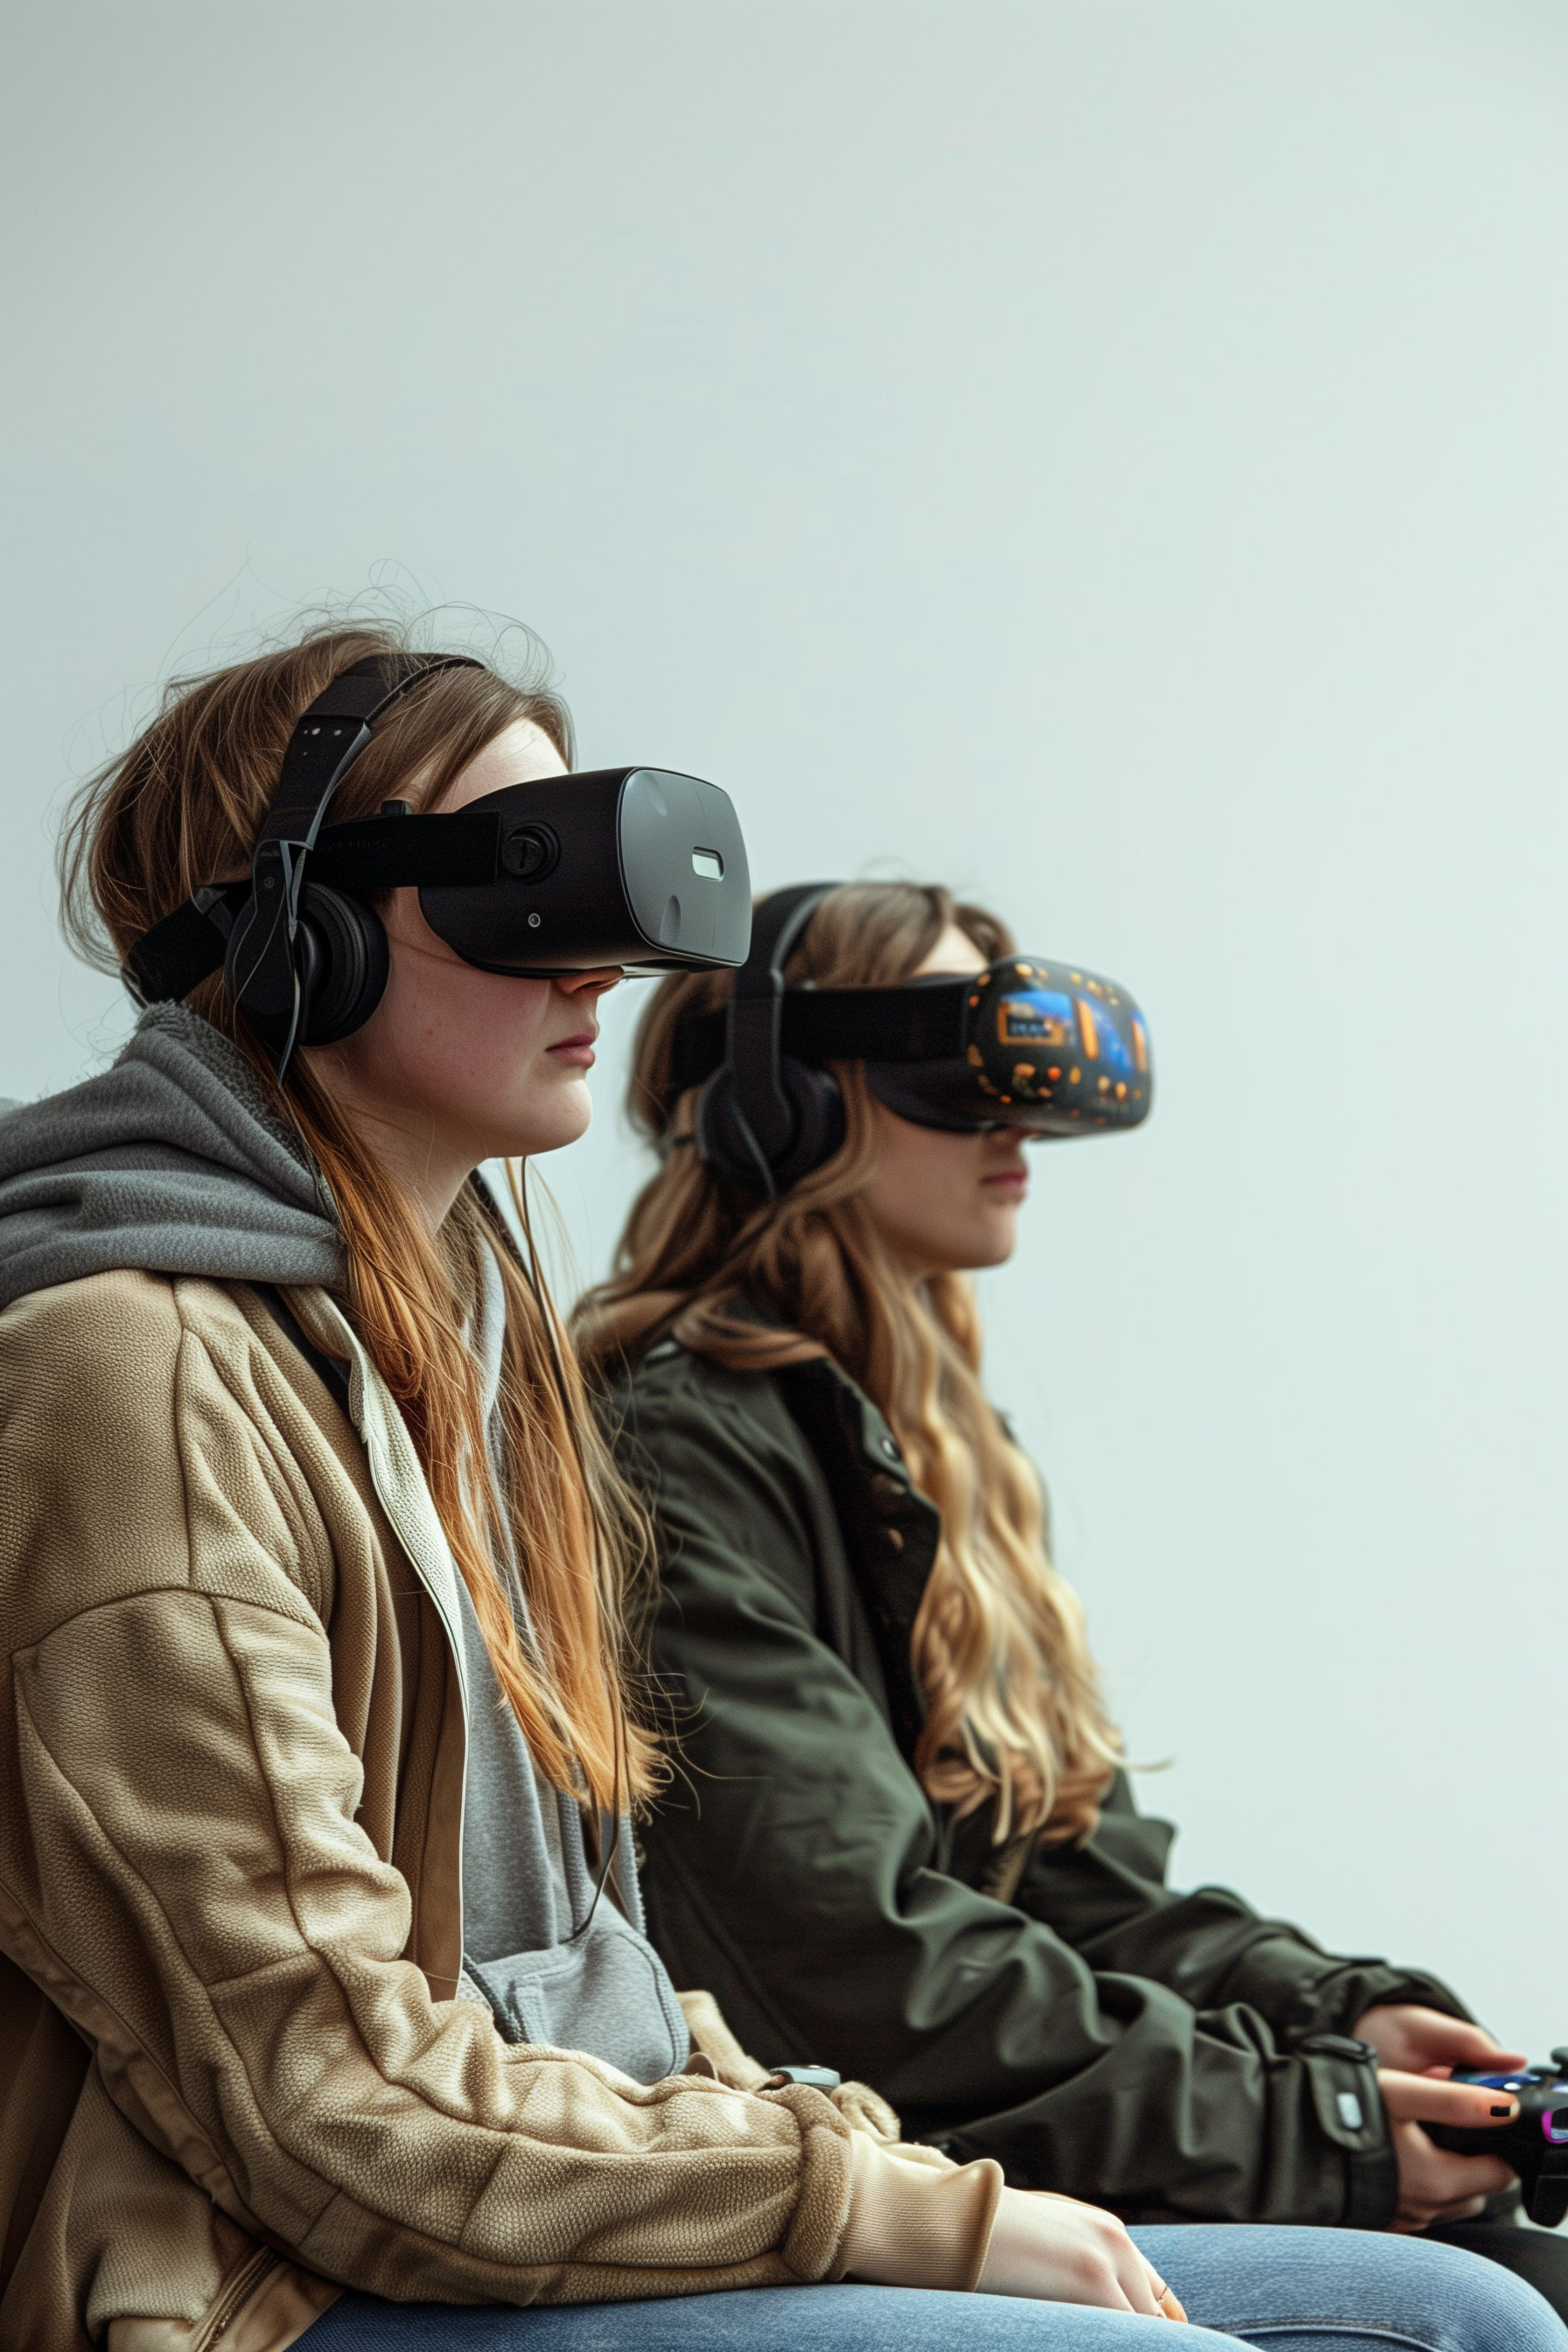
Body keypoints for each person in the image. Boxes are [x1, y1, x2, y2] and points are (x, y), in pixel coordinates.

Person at [17, 626, 1526, 2352]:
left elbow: (619, 1982)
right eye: (526, 885)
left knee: (1463, 2315)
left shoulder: (477, 1384)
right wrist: (890, 2198)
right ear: (302, 929)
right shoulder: (127, 1368)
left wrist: (1297, 2033)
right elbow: (326, 2089)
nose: (601, 965)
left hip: (549, 2184)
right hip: (267, 2281)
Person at [580, 877, 1568, 2334]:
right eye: (957, 1066)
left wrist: (1334, 2017)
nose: (1016, 1125)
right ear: (777, 1107)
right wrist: (1314, 2131)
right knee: (1475, 2309)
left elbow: (1070, 1877)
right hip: (799, 2173)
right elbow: (855, 1962)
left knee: (1526, 2255)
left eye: (1027, 1079)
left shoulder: (916, 1442)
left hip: (947, 2144)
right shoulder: (676, 1445)